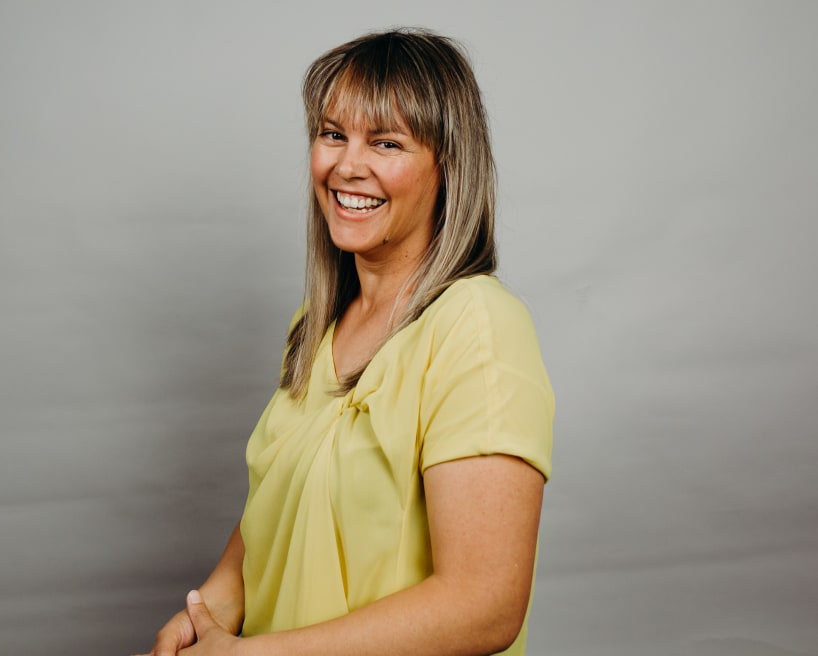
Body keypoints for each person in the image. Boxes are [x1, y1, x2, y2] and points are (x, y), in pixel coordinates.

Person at [137, 27, 554, 656]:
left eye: (386, 142)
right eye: (333, 134)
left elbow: (485, 604)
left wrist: (251, 655)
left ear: (449, 164)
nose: (347, 165)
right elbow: (288, 493)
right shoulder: (316, 325)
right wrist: (209, 608)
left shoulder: (478, 325)